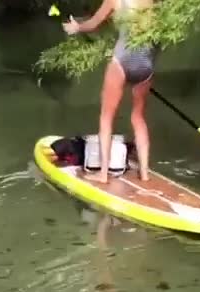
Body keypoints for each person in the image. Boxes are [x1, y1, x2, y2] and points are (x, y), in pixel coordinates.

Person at [62, 0, 157, 183]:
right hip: (146, 64)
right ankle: (144, 174)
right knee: (138, 117)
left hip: (122, 60)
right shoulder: (152, 2)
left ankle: (103, 174)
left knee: (106, 117)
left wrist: (77, 27)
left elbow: (93, 23)